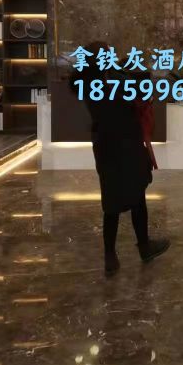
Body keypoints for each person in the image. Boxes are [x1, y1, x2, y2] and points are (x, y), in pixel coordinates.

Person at [69, 41, 169, 277]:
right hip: (127, 142)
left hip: (104, 144)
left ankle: (110, 256)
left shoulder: (84, 82)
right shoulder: (115, 80)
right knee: (137, 196)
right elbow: (142, 89)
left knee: (111, 199)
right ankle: (144, 247)